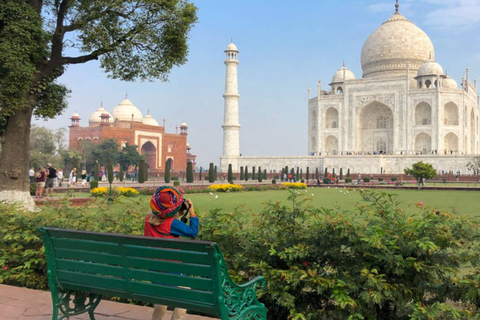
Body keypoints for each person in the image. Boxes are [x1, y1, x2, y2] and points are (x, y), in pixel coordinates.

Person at [144, 186, 199, 320]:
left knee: (162, 296)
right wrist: (191, 212)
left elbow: (162, 219)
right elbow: (193, 232)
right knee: (185, 292)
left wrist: (177, 212)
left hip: (154, 270)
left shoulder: (147, 219)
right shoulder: (172, 224)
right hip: (172, 270)